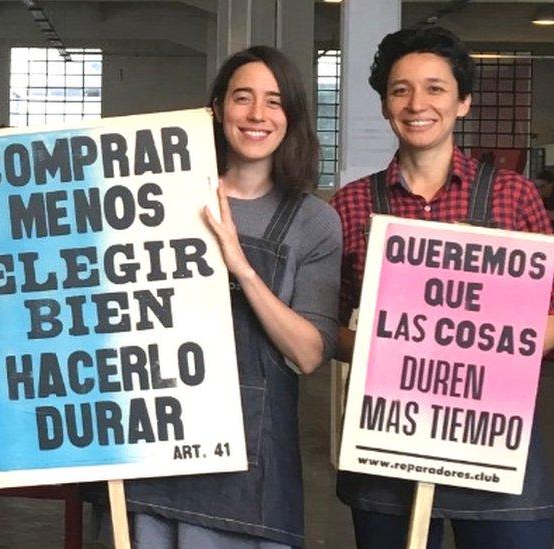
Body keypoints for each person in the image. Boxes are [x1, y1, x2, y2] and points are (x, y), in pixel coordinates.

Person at [330, 26, 554, 549]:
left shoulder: (514, 195)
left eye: (436, 88)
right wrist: (397, 346)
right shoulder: (351, 205)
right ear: (384, 106)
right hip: (388, 446)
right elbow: (330, 328)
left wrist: (477, 339)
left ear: (463, 102)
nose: (418, 103)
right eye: (400, 90)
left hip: (493, 442)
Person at [124, 46, 342, 549]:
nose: (257, 115)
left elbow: (309, 353)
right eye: (243, 98)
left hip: (254, 468)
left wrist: (239, 264)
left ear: (292, 116)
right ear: (218, 109)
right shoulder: (162, 198)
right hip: (164, 450)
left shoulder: (313, 222)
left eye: (274, 101)